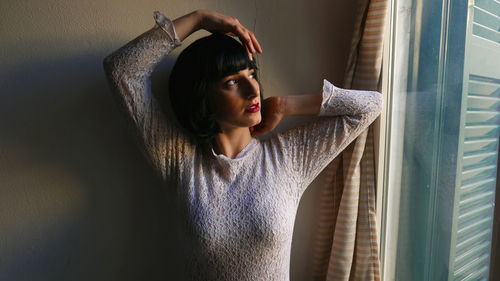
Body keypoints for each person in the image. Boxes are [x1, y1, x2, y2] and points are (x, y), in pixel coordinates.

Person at [103, 9, 383, 281]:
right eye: (233, 81)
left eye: (252, 74)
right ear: (203, 96)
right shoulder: (178, 160)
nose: (254, 90)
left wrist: (285, 105)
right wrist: (200, 19)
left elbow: (371, 105)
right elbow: (122, 70)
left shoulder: (289, 157)